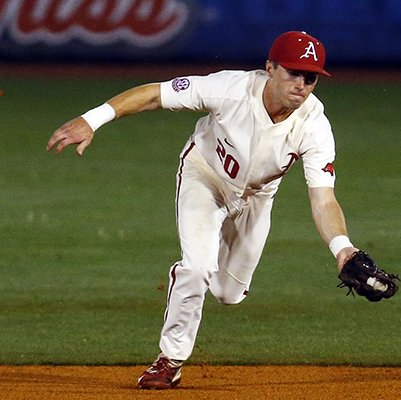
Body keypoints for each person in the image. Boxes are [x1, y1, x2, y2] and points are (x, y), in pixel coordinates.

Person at [46, 31, 359, 390]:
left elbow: (323, 198)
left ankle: (215, 289)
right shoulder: (228, 89)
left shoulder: (315, 126)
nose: (302, 84)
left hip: (257, 198)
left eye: (311, 77)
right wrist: (92, 119)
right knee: (196, 267)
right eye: (293, 72)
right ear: (269, 68)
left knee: (227, 293)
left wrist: (342, 248)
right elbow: (155, 94)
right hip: (204, 177)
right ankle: (170, 361)